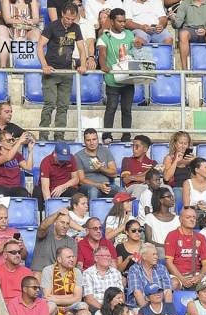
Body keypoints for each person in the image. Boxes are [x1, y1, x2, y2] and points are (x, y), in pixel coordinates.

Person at [38, 2, 91, 141]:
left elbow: (82, 48)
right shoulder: (52, 26)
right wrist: (44, 65)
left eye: (72, 19)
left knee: (63, 106)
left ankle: (59, 137)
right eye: (67, 18)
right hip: (51, 72)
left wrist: (83, 64)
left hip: (67, 72)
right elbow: (40, 46)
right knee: (49, 105)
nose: (69, 21)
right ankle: (43, 137)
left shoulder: (76, 28)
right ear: (62, 14)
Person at [98, 8, 138, 143]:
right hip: (113, 80)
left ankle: (126, 137)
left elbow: (136, 50)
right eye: (119, 21)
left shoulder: (130, 34)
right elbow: (102, 53)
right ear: (112, 21)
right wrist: (103, 65)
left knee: (127, 109)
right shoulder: (105, 37)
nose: (122, 24)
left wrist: (138, 45)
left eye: (124, 21)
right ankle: (107, 136)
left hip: (128, 79)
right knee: (111, 108)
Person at [164, 206, 206, 290]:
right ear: (180, 220)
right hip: (178, 275)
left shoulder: (201, 237)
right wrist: (182, 279)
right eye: (188, 217)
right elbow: (169, 262)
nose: (192, 220)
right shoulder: (172, 235)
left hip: (196, 275)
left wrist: (200, 276)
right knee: (173, 283)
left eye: (194, 217)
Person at [171, 0, 206, 69]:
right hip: (190, 31)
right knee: (183, 34)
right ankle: (184, 70)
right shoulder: (185, 3)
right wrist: (173, 19)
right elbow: (177, 25)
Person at [74, 128, 119, 199]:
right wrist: (99, 185)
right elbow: (81, 180)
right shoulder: (78, 156)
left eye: (94, 139)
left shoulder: (105, 151)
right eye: (88, 140)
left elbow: (114, 173)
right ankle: (93, 207)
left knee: (122, 191)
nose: (92, 143)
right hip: (89, 186)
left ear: (98, 140)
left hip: (107, 185)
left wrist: (101, 169)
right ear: (84, 141)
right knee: (93, 191)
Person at [35, 142, 80, 212]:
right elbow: (45, 188)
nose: (63, 161)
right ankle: (41, 216)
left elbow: (76, 179)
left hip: (65, 188)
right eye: (61, 159)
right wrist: (50, 207)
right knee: (37, 192)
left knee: (76, 195)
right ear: (54, 154)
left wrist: (63, 187)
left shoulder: (71, 158)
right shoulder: (46, 162)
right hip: (50, 189)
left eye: (65, 159)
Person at [40, 246, 83, 315]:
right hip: (54, 305)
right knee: (51, 305)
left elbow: (78, 298)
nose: (72, 259)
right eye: (68, 257)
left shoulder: (77, 271)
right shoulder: (48, 270)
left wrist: (56, 299)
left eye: (73, 257)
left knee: (83, 306)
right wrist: (71, 296)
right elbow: (47, 297)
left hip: (71, 306)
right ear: (59, 259)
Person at [32, 208, 77, 275]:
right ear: (55, 223)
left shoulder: (71, 242)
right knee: (36, 275)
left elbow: (72, 264)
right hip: (40, 273)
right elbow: (43, 226)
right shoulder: (44, 233)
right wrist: (57, 213)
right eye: (62, 222)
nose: (65, 226)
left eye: (67, 224)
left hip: (59, 275)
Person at [0, 131, 33, 198]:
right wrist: (19, 142)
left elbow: (28, 167)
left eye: (12, 140)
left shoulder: (16, 155)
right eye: (9, 140)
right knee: (0, 194)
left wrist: (30, 151)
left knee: (23, 193)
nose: (12, 142)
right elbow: (8, 157)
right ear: (0, 143)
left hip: (15, 187)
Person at [144, 188, 180, 252]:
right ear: (161, 200)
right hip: (157, 250)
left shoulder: (178, 219)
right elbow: (148, 240)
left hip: (174, 251)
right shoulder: (149, 217)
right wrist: (165, 247)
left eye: (172, 196)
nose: (172, 199)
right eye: (169, 197)